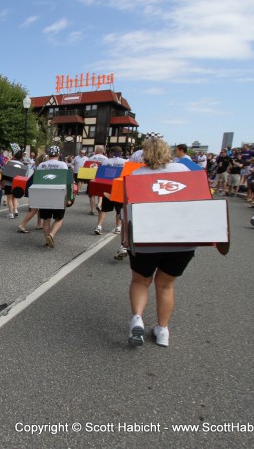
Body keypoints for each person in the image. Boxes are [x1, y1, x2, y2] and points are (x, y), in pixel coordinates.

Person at [123, 133, 194, 347]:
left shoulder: (135, 176)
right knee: (165, 286)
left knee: (140, 281)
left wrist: (126, 239)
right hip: (180, 238)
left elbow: (127, 211)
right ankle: (163, 330)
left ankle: (137, 318)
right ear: (167, 153)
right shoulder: (184, 171)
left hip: (146, 238)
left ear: (144, 155)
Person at [37, 145, 69, 248]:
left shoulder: (41, 165)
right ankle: (51, 235)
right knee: (59, 218)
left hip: (44, 193)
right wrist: (69, 197)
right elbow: (67, 181)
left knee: (46, 219)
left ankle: (47, 240)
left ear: (49, 154)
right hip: (58, 193)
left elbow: (37, 181)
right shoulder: (63, 165)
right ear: (59, 154)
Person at [94, 146, 126, 236]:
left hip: (108, 188)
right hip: (119, 188)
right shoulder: (126, 162)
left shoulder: (106, 161)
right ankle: (118, 228)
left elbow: (100, 175)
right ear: (121, 153)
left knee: (104, 209)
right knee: (119, 210)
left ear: (112, 153)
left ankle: (99, 226)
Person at [86, 145, 108, 215]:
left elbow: (87, 168)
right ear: (103, 151)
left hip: (92, 177)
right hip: (101, 177)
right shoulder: (106, 159)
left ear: (96, 150)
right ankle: (99, 204)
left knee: (91, 194)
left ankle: (92, 210)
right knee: (100, 193)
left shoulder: (91, 158)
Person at [3, 150, 24, 219]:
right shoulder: (22, 165)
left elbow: (5, 172)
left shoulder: (9, 162)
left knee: (9, 198)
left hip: (9, 183)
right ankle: (15, 210)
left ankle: (11, 213)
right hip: (17, 183)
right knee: (14, 197)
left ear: (13, 155)